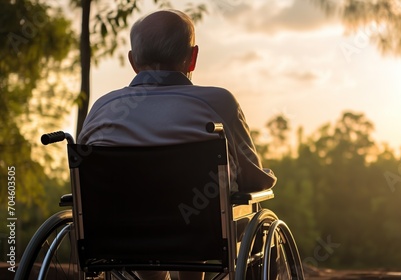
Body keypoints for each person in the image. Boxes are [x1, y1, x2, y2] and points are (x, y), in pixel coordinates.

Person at [77, 9, 277, 280]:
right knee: (211, 214)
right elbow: (252, 178)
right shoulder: (218, 103)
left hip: (121, 235)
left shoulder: (103, 108)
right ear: (192, 57)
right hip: (198, 233)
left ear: (133, 61)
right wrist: (267, 179)